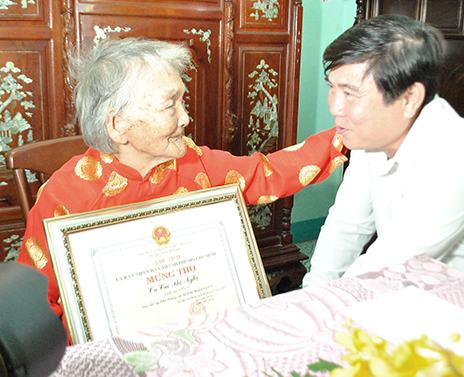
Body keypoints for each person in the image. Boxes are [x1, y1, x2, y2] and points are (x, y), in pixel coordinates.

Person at [17, 38, 347, 320]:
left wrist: (347, 132)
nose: (187, 118)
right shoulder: (66, 196)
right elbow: (33, 304)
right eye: (170, 105)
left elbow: (266, 174)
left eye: (182, 101)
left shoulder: (192, 162)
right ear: (118, 125)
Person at [302, 15, 464, 303]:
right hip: (424, 291)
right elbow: (347, 224)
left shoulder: (458, 155)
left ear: (408, 99)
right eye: (332, 88)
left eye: (350, 93)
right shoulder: (371, 135)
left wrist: (321, 309)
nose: (335, 107)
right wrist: (311, 296)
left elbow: (387, 264)